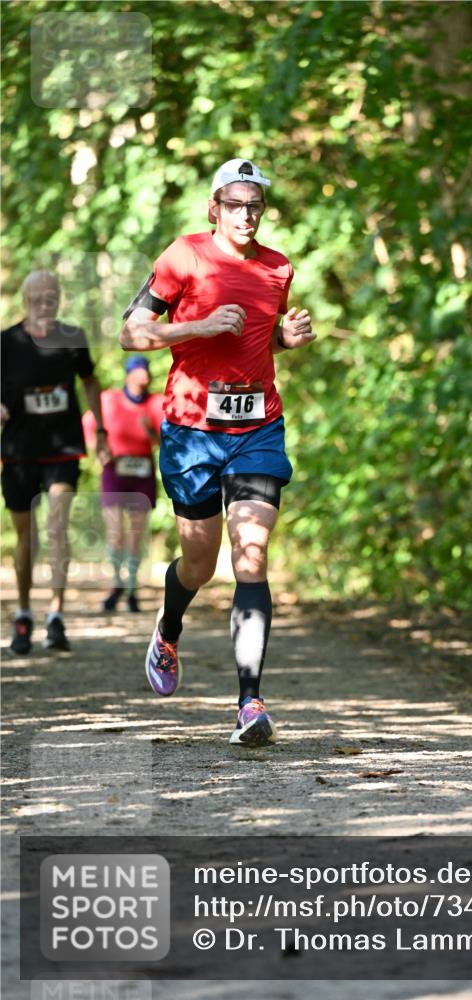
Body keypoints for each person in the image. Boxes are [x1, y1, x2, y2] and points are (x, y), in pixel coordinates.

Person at [120, 157, 315, 746]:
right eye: (235, 204)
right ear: (214, 208)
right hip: (191, 432)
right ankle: (169, 625)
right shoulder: (183, 256)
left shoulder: (278, 268)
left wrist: (288, 337)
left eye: (255, 205)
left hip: (258, 428)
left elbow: (259, 339)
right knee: (200, 565)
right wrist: (197, 327)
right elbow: (131, 332)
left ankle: (250, 704)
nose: (247, 215)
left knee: (251, 555)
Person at [1, 269, 110, 654]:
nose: (44, 304)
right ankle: (25, 611)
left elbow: (91, 381)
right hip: (17, 451)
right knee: (26, 535)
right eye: (37, 298)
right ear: (25, 301)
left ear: (59, 300)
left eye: (51, 297)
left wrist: (100, 432)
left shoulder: (72, 338)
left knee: (58, 525)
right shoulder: (6, 342)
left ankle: (56, 615)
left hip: (63, 447)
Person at [82, 355, 164, 614]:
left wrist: (149, 431)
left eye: (146, 370)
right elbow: (88, 426)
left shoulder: (156, 404)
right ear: (128, 374)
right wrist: (99, 450)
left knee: (135, 534)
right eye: (138, 370)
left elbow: (164, 441)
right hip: (115, 470)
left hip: (142, 471)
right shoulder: (109, 400)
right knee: (115, 531)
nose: (143, 376)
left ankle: (131, 588)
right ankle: (116, 583)